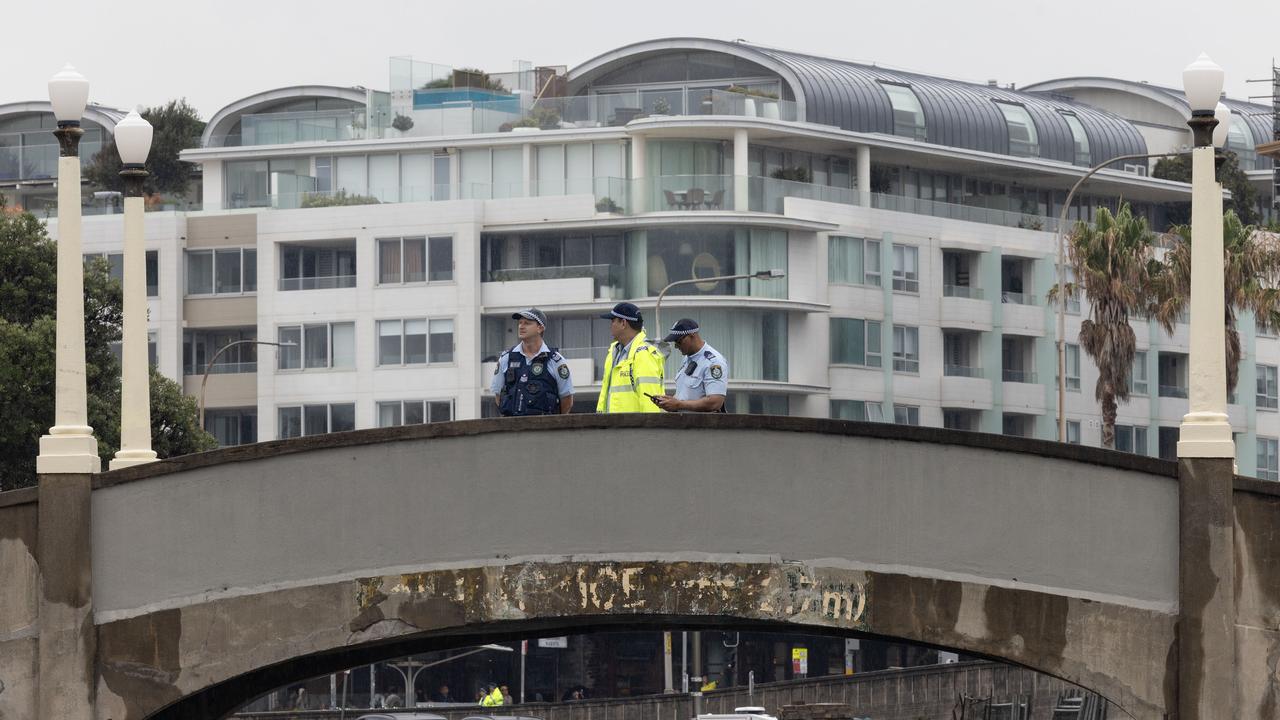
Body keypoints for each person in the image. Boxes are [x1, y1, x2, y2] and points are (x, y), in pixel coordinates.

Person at [492, 308, 574, 416]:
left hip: (545, 428)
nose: (521, 326)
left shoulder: (555, 360)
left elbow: (567, 399)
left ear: (540, 328)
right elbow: (498, 396)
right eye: (520, 323)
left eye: (527, 323)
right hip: (513, 428)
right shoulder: (506, 358)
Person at [596, 302, 665, 413]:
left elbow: (649, 402)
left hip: (633, 428)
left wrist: (651, 429)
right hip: (613, 427)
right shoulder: (614, 352)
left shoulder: (644, 354)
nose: (611, 325)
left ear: (623, 323)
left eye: (613, 321)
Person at [652, 319, 729, 413]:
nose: (676, 346)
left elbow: (715, 402)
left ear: (692, 335)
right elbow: (686, 395)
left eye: (678, 341)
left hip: (704, 426)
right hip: (684, 423)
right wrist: (669, 402)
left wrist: (678, 404)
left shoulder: (713, 362)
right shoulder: (687, 359)